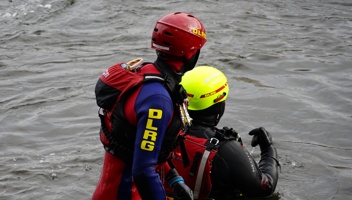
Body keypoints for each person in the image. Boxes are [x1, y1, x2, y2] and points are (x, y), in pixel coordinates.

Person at [92, 12, 207, 200]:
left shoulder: (145, 73)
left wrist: (174, 179)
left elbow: (144, 147)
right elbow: (143, 170)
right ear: (191, 52)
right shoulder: (157, 100)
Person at [159, 66, 280, 199]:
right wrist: (268, 150)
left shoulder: (160, 128)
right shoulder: (226, 149)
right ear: (219, 102)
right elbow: (264, 188)